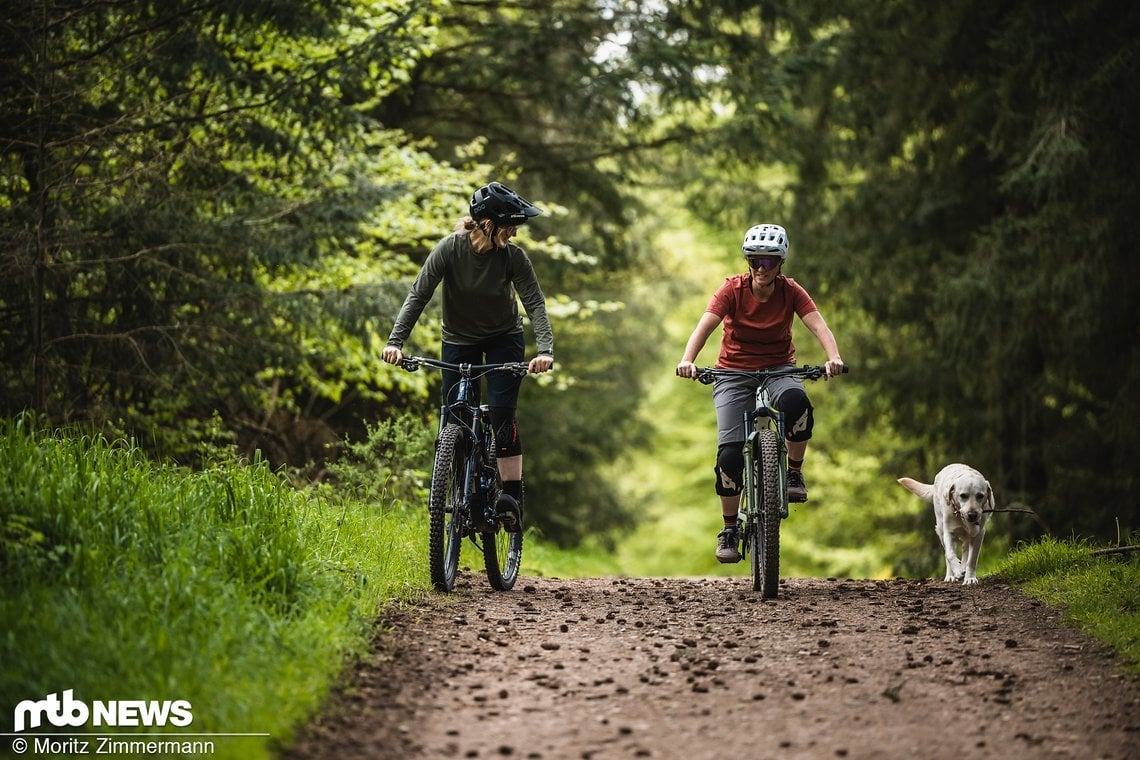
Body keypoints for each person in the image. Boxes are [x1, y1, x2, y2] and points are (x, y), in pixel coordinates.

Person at [382, 181, 554, 530]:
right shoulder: (449, 250)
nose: (515, 232)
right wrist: (395, 342)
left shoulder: (513, 258)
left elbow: (534, 304)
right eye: (509, 226)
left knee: (503, 414)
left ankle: (510, 496)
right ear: (488, 225)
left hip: (504, 338)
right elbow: (418, 296)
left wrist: (546, 351)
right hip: (459, 340)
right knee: (456, 417)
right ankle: (465, 494)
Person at [675, 223, 844, 563]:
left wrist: (833, 357)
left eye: (769, 261)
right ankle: (729, 529)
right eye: (755, 261)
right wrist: (687, 360)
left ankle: (794, 471)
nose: (761, 268)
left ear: (781, 262)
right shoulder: (731, 290)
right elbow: (704, 326)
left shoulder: (791, 291)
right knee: (730, 456)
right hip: (733, 373)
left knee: (798, 403)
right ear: (748, 262)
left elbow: (818, 325)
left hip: (779, 367)